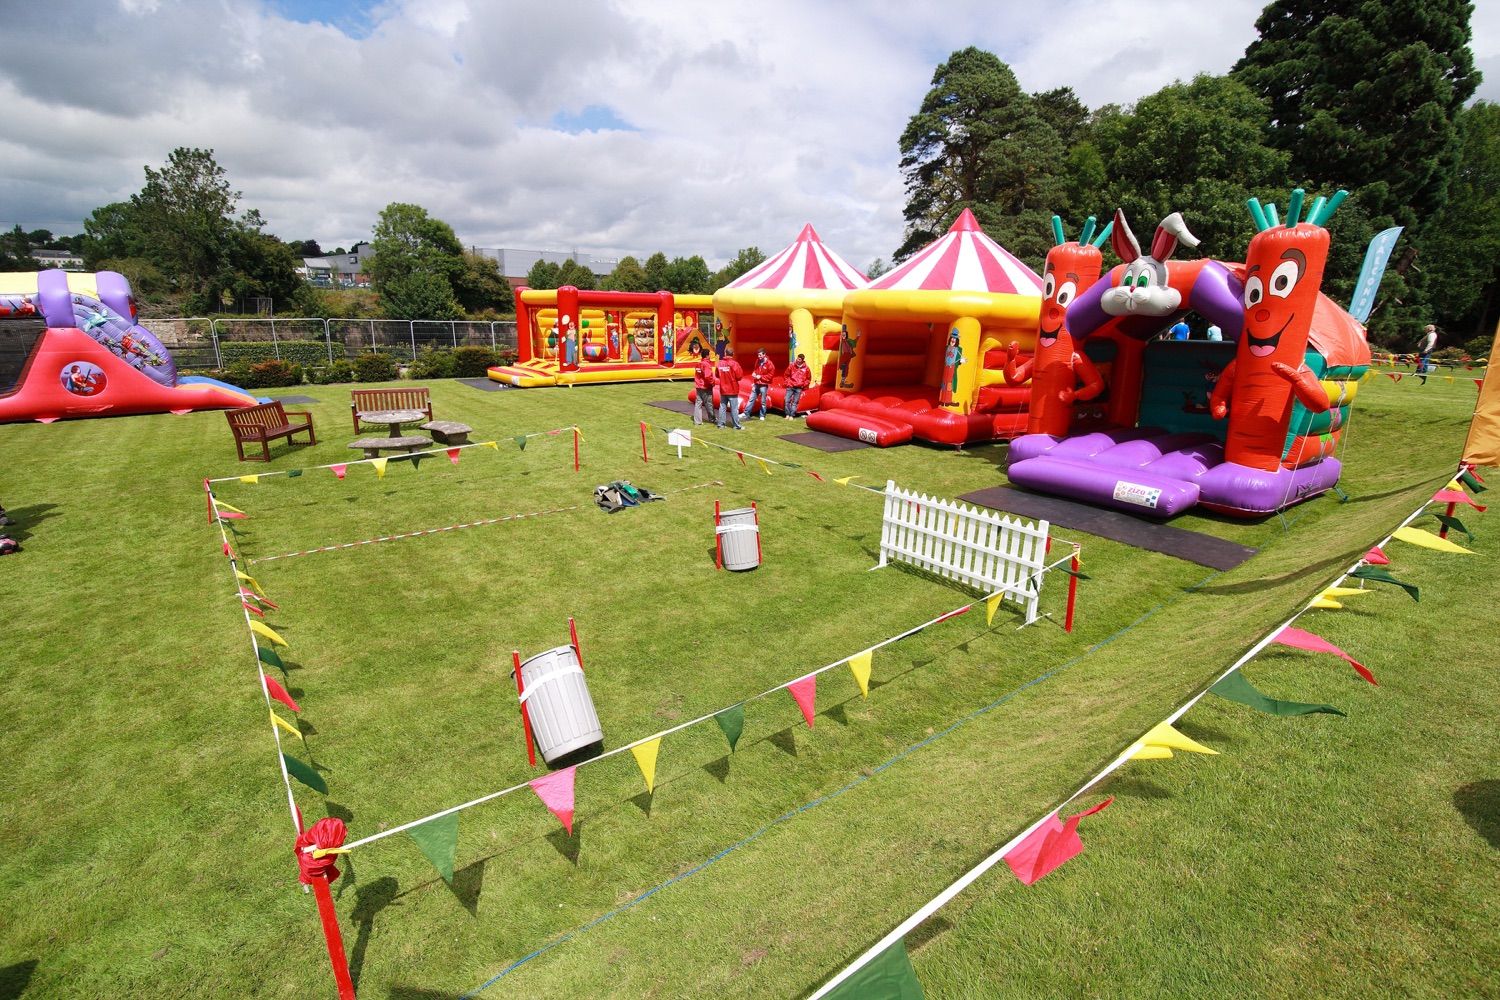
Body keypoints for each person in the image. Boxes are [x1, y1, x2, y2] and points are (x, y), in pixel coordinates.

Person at [741, 349, 775, 421]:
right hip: (756, 383)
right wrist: (754, 373)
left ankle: (762, 415)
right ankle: (746, 413)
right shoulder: (757, 361)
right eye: (758, 355)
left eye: (760, 355)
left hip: (763, 385)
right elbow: (755, 370)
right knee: (751, 399)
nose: (758, 356)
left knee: (763, 401)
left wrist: (761, 377)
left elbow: (771, 375)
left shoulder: (769, 364)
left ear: (764, 354)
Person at [715, 349, 745, 430]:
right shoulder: (734, 364)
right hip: (732, 389)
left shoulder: (720, 363)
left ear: (725, 353)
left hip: (723, 389)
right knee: (734, 408)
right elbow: (739, 376)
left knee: (722, 407)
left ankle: (721, 424)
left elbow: (717, 375)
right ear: (733, 354)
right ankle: (736, 425)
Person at [783, 352, 811, 418]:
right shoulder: (792, 365)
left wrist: (803, 385)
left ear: (802, 360)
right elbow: (786, 375)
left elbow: (808, 379)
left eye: (799, 359)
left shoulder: (806, 368)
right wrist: (788, 383)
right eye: (797, 359)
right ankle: (787, 414)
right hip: (791, 385)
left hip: (799, 387)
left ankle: (791, 415)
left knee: (795, 402)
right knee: (787, 400)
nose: (798, 360)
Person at [693, 349, 716, 426]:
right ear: (707, 355)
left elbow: (697, 374)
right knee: (709, 403)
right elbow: (708, 376)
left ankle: (697, 421)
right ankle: (712, 418)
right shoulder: (706, 364)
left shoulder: (698, 363)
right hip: (705, 386)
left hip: (698, 386)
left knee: (698, 403)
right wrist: (713, 383)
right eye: (709, 354)